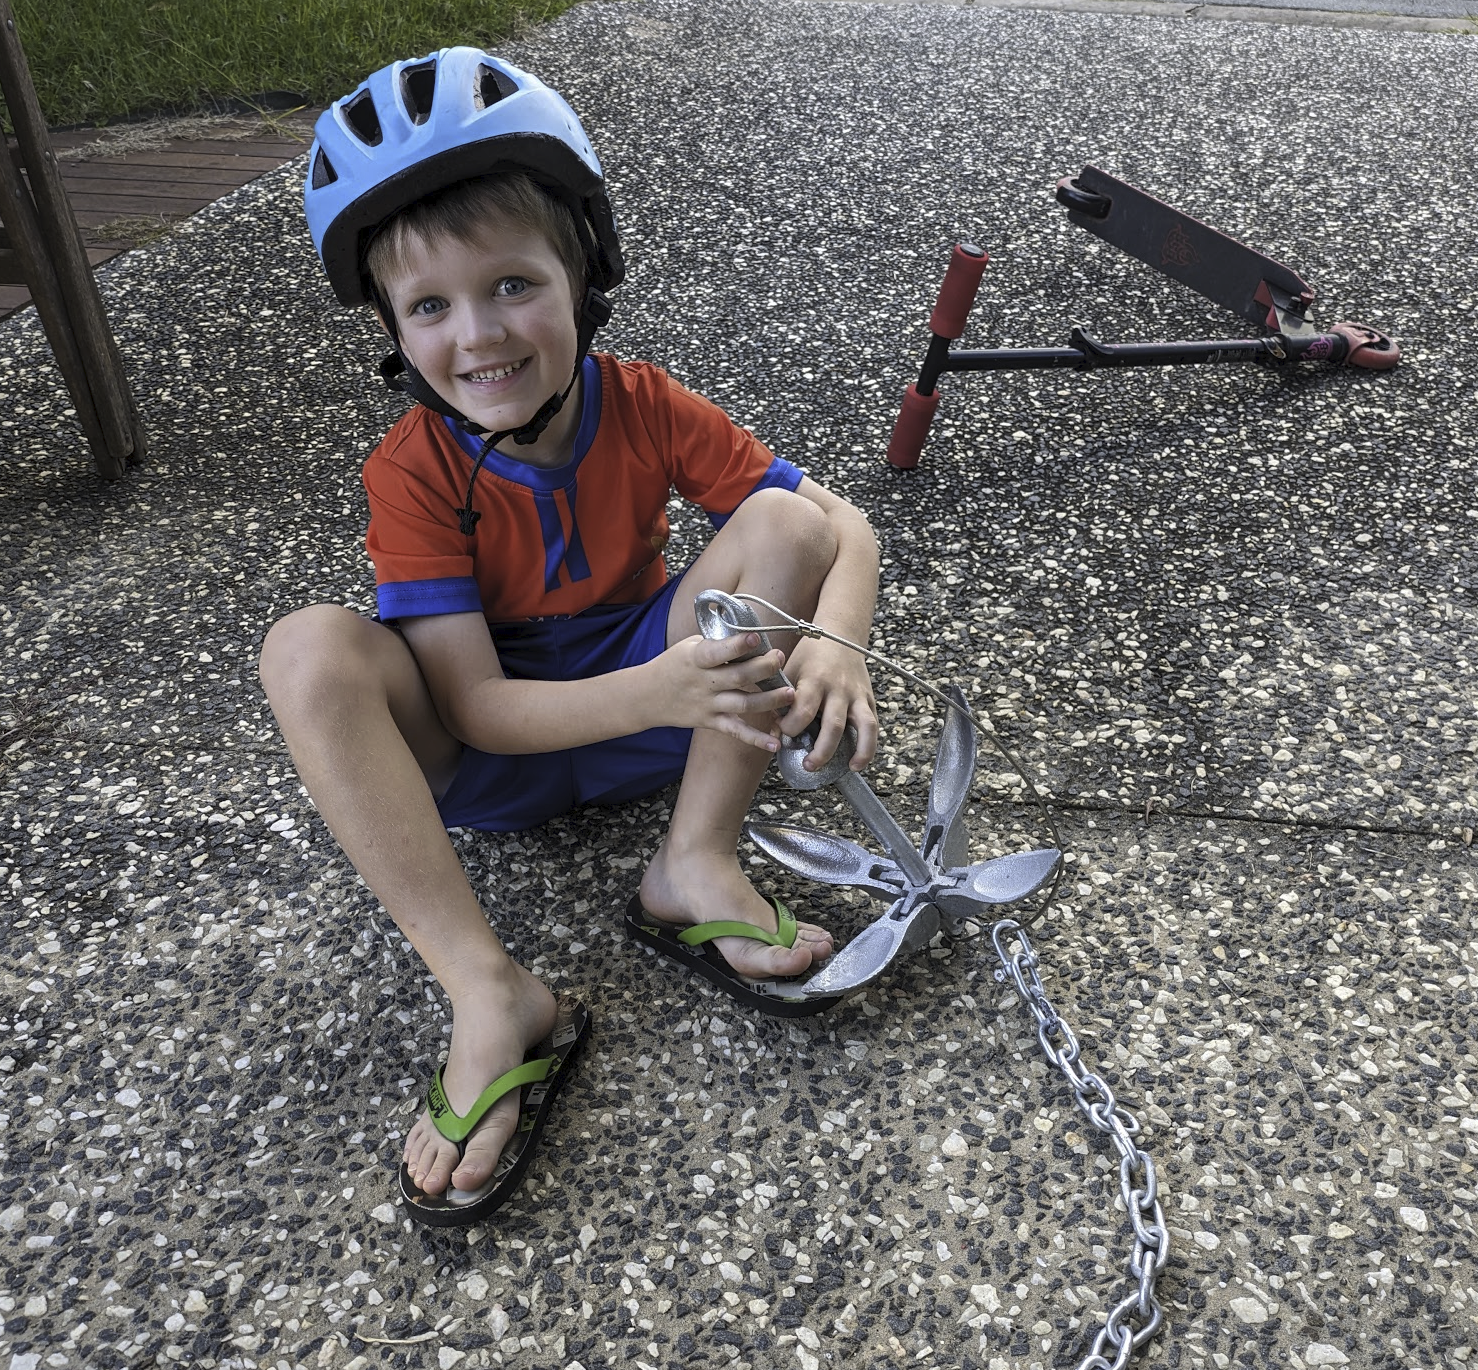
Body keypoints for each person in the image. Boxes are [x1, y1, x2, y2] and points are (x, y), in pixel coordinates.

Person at [258, 47, 880, 1227]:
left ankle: (692, 857)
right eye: (429, 305)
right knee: (307, 648)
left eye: (510, 284)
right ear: (391, 327)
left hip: (676, 718)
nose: (477, 333)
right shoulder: (412, 468)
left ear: (582, 274)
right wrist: (666, 686)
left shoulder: (641, 401)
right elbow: (477, 708)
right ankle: (488, 989)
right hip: (507, 749)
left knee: (786, 520)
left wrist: (834, 639)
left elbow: (837, 523)